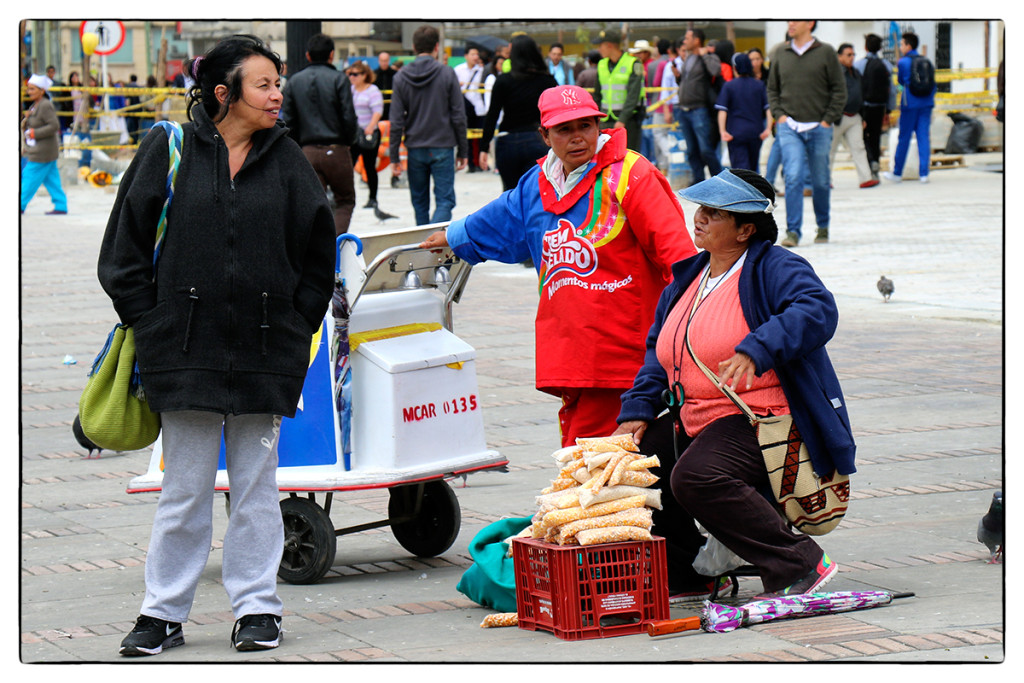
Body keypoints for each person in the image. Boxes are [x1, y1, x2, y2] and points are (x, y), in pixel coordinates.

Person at [99, 35, 335, 657]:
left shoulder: (286, 159)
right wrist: (151, 323)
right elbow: (122, 253)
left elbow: (319, 253)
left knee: (257, 490)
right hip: (182, 350)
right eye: (264, 84)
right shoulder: (168, 148)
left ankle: (257, 609)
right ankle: (162, 613)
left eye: (278, 83)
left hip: (265, 352)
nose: (277, 94)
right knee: (184, 492)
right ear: (224, 93)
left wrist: (296, 323)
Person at [615, 167, 854, 601]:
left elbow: (817, 309)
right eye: (701, 209)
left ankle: (798, 563)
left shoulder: (775, 267)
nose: (700, 217)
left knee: (696, 476)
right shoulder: (688, 276)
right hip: (694, 416)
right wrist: (636, 411)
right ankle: (691, 574)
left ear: (746, 229)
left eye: (714, 212)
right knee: (635, 468)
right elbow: (658, 352)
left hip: (761, 417)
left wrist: (758, 346)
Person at [418, 85, 696, 446]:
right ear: (545, 135)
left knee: (597, 455)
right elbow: (498, 219)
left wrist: (695, 324)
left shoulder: (630, 174)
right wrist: (453, 235)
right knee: (589, 451)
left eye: (586, 125)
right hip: (569, 344)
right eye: (565, 129)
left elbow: (677, 254)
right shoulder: (537, 182)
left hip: (625, 347)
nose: (578, 138)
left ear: (600, 126)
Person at [767, 20, 846, 247]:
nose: (790, 23)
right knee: (792, 177)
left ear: (810, 23)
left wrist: (827, 120)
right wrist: (780, 116)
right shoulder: (780, 52)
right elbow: (772, 88)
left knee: (820, 181)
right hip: (789, 127)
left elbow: (839, 89)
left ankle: (823, 225)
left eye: (796, 19)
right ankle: (793, 231)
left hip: (819, 128)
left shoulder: (827, 52)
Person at [389, 24, 468, 226]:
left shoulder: (400, 77)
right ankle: (429, 239)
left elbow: (397, 120)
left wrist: (394, 156)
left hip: (415, 147)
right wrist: (463, 150)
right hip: (442, 145)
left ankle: (422, 243)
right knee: (445, 201)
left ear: (414, 47)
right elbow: (458, 115)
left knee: (419, 203)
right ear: (436, 47)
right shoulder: (447, 73)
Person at [280, 32, 358, 236]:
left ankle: (317, 247)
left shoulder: (294, 81)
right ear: (331, 55)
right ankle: (334, 245)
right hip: (337, 149)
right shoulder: (340, 79)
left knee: (312, 203)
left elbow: (288, 120)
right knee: (345, 200)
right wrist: (349, 141)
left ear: (308, 55)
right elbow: (349, 116)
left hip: (307, 151)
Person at [480, 34, 557, 191]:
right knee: (537, 194)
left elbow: (492, 115)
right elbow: (556, 114)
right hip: (539, 140)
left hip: (508, 141)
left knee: (511, 195)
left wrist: (484, 146)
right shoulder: (548, 81)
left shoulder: (503, 81)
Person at [882, 32, 936, 184]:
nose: (900, 46)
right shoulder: (927, 61)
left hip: (909, 103)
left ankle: (897, 172)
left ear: (908, 45)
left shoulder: (903, 62)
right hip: (926, 103)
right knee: (923, 137)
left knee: (904, 137)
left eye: (902, 44)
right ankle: (924, 173)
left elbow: (900, 80)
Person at [675, 28, 724, 184]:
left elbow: (715, 71)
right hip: (684, 111)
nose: (684, 41)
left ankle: (720, 179)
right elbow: (686, 81)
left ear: (696, 40)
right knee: (691, 151)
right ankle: (699, 180)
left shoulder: (709, 56)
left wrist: (705, 56)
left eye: (687, 38)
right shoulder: (688, 58)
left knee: (705, 149)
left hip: (699, 110)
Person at [830, 44, 878, 188]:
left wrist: (862, 117)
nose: (851, 58)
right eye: (848, 55)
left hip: (855, 116)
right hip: (837, 117)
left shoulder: (856, 73)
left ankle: (865, 178)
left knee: (859, 148)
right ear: (839, 57)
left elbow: (861, 95)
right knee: (829, 150)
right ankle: (824, 180)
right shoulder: (834, 74)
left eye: (853, 55)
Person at [715, 53, 772, 172]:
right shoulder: (759, 85)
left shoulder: (729, 86)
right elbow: (768, 108)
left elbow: (722, 110)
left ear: (735, 68)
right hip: (756, 132)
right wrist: (768, 129)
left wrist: (722, 131)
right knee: (752, 166)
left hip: (736, 133)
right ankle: (753, 189)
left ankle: (743, 190)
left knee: (740, 170)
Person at [21, 74, 68, 215]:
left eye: (33, 89)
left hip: (43, 151)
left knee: (29, 177)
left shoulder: (45, 105)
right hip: (44, 150)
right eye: (29, 89)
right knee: (52, 180)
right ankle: (61, 205)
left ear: (42, 90)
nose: (30, 92)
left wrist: (35, 133)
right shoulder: (36, 105)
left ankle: (20, 204)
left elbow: (54, 125)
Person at [592, 28, 646, 152]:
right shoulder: (601, 64)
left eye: (601, 46)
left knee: (628, 156)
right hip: (606, 120)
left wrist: (622, 120)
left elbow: (633, 95)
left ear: (609, 45)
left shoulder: (633, 63)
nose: (599, 49)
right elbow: (597, 95)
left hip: (627, 120)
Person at [855, 33, 895, 181]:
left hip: (864, 107)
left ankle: (870, 161)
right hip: (879, 106)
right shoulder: (886, 65)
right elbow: (892, 89)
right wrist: (889, 109)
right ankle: (876, 163)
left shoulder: (858, 65)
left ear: (865, 47)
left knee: (864, 136)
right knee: (876, 136)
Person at [347, 60, 385, 209]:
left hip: (369, 133)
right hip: (354, 134)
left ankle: (373, 198)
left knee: (369, 166)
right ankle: (348, 196)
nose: (352, 77)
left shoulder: (372, 90)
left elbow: (377, 110)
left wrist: (370, 126)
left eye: (355, 74)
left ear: (364, 75)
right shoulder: (351, 90)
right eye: (350, 74)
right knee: (349, 165)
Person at [454, 47, 487, 172]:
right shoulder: (458, 70)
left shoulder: (482, 70)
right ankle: (470, 164)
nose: (475, 57)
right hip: (464, 109)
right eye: (472, 54)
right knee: (466, 136)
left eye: (477, 54)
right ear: (466, 56)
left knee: (479, 137)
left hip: (479, 108)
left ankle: (479, 163)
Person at [375, 51, 397, 120]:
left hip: (392, 108)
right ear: (379, 61)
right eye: (382, 61)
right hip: (377, 108)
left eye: (386, 61)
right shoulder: (373, 75)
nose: (384, 63)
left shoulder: (395, 75)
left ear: (389, 60)